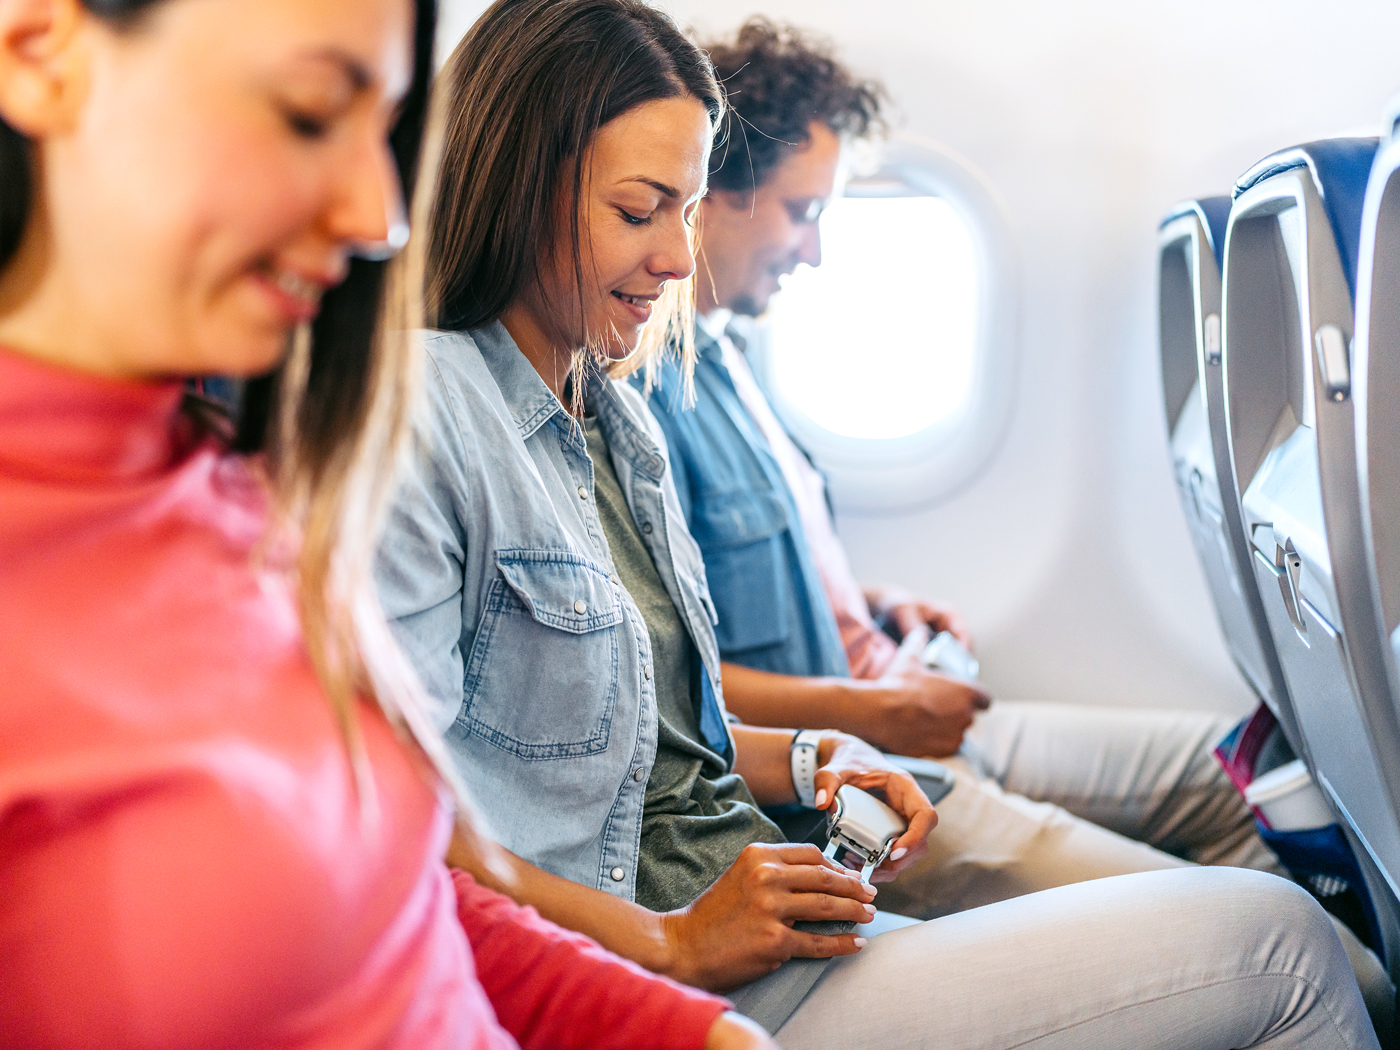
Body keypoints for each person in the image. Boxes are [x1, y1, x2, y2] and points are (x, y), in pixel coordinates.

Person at [375, 0, 1383, 1046]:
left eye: (686, 211)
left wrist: (817, 758)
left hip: (769, 918)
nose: (678, 260)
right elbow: (402, 832)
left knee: (1266, 922)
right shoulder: (423, 417)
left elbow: (650, 745)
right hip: (675, 982)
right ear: (513, 191)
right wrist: (667, 941)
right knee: (1280, 948)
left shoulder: (613, 419)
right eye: (640, 211)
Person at [0, 1, 772, 1048]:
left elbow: (403, 907)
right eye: (311, 114)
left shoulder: (233, 487)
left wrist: (685, 1029)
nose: (380, 213)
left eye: (388, 134)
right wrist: (667, 950)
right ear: (40, 56)